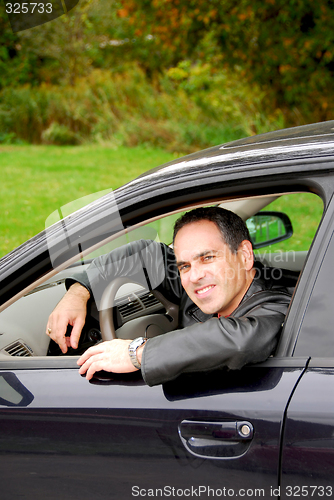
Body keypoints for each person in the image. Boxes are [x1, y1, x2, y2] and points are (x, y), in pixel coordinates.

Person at [46, 207, 295, 386]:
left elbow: (238, 339)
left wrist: (136, 353)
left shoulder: (280, 305)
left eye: (207, 257)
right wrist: (79, 292)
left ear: (244, 256)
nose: (195, 276)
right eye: (184, 265)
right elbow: (143, 254)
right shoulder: (196, 283)